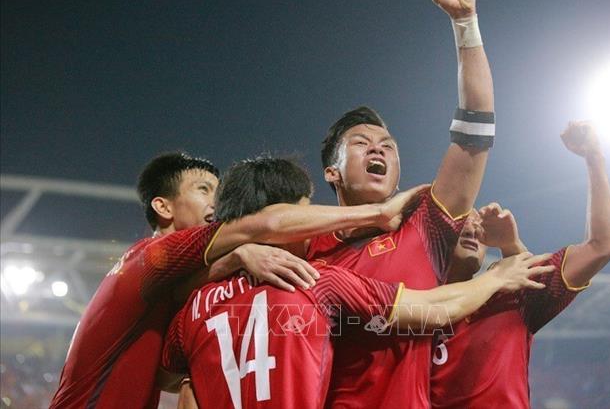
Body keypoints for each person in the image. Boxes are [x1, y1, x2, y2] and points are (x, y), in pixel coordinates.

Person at [161, 156, 555, 409]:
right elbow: (432, 309)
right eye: (305, 214)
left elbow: (172, 384)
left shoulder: (192, 308)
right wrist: (497, 278)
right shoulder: (314, 282)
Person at [49, 152, 428, 409]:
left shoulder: (172, 288)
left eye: (218, 190)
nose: (216, 203)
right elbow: (264, 223)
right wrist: (378, 212)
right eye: (202, 190)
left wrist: (235, 257)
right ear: (163, 207)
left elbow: (164, 374)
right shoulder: (152, 258)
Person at [307, 0, 494, 407]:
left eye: (387, 146)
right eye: (360, 143)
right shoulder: (301, 246)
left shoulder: (424, 226)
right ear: (332, 174)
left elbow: (474, 136)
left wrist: (466, 23)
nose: (378, 148)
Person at [430, 121, 610, 408]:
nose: (471, 229)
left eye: (477, 227)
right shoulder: (411, 302)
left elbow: (602, 246)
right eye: (461, 225)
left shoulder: (513, 291)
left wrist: (594, 157)